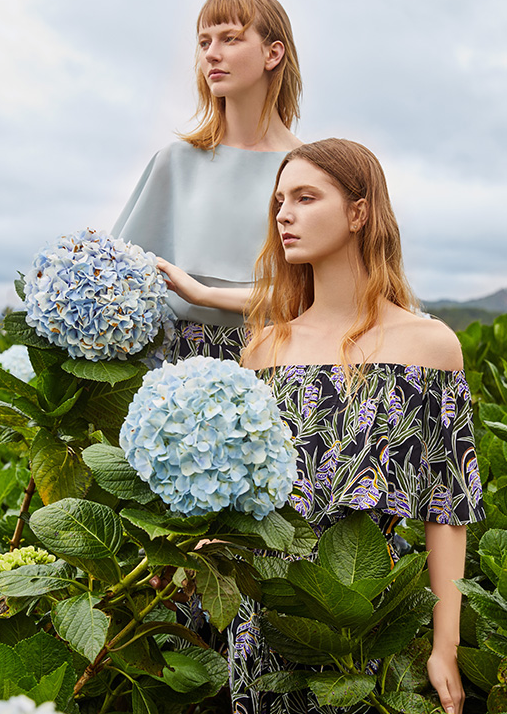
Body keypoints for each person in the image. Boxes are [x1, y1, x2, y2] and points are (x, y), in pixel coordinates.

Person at [158, 138, 485, 714]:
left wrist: (446, 645)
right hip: (262, 627)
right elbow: (246, 496)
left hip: (366, 622)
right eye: (280, 201)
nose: (284, 214)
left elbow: (448, 507)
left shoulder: (429, 346)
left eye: (306, 198)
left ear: (359, 212)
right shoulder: (264, 349)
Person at [112, 0, 303, 362]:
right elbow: (118, 280)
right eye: (203, 42)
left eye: (230, 38)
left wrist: (204, 294)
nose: (211, 54)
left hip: (285, 361)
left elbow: (322, 295)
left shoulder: (312, 170)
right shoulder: (174, 163)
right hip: (179, 368)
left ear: (273, 53)